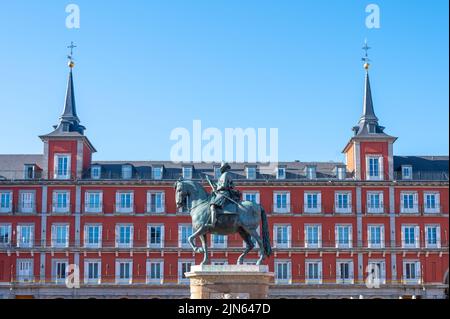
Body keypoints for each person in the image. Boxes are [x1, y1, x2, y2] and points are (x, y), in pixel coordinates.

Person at [207, 162, 235, 227]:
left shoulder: (225, 174)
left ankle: (213, 222)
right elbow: (219, 185)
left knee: (213, 205)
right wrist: (212, 183)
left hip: (224, 193)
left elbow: (223, 185)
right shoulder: (222, 176)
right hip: (220, 192)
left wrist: (217, 189)